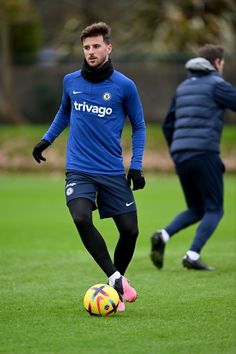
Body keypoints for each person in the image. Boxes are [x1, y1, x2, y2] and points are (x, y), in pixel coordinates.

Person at [32, 22, 146, 311]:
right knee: (81, 217)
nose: (91, 52)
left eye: (96, 46)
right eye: (86, 47)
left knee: (130, 231)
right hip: (79, 168)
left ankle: (114, 287)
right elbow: (64, 112)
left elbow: (140, 126)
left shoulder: (124, 85)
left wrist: (136, 165)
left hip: (111, 170)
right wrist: (46, 140)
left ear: (108, 47)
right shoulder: (71, 81)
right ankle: (116, 279)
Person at [150, 44, 236, 271]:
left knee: (197, 208)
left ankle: (164, 235)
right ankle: (192, 254)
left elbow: (168, 125)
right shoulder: (217, 85)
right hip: (204, 153)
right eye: (223, 64)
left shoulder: (183, 87)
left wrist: (177, 150)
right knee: (214, 209)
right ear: (217, 63)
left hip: (181, 154)